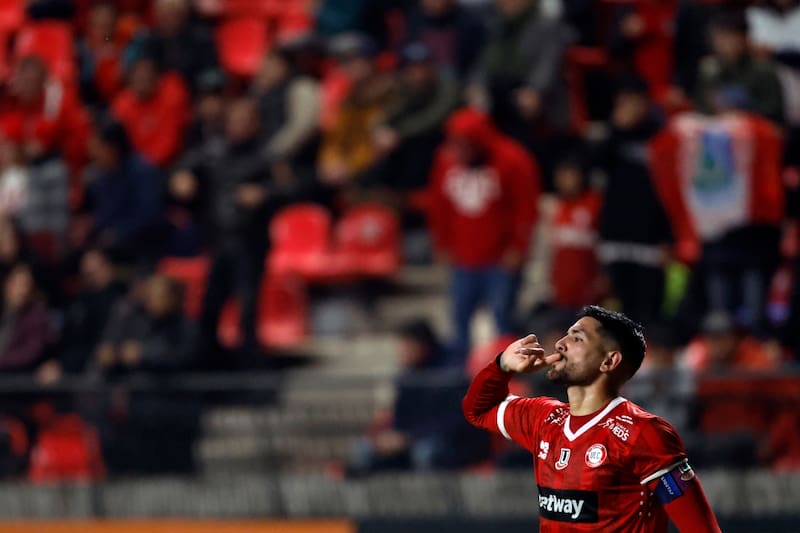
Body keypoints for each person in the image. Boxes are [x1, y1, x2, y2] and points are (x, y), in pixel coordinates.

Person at [463, 305, 721, 531]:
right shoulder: (543, 418)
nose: (560, 344)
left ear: (609, 361)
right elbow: (477, 410)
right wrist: (501, 367)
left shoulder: (644, 433)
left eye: (577, 338)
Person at [169, 98, 279, 366]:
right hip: (218, 241)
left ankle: (251, 370)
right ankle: (209, 366)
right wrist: (181, 175)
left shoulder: (265, 156)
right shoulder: (212, 152)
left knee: (247, 308)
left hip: (250, 243)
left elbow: (289, 189)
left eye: (246, 120)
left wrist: (264, 194)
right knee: (211, 306)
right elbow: (183, 166)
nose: (239, 125)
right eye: (235, 119)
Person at [426, 108, 540, 361]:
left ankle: (510, 380)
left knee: (503, 322)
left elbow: (526, 209)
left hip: (500, 259)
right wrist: (442, 244)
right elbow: (439, 206)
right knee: (459, 325)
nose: (460, 151)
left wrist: (519, 248)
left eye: (466, 144)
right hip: (463, 260)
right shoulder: (446, 160)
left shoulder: (512, 158)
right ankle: (462, 384)